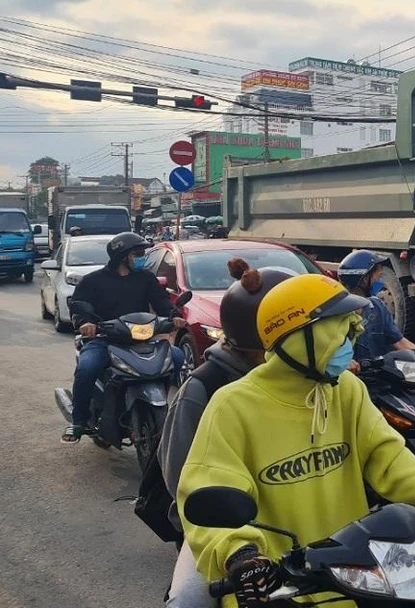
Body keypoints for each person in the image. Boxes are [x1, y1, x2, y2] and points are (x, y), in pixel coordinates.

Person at [177, 275, 415, 608]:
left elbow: (388, 456)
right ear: (297, 339)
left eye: (351, 332)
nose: (349, 345)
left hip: (357, 576)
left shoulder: (346, 390)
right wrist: (241, 554)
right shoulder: (233, 406)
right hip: (275, 587)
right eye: (339, 334)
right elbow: (209, 485)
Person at [159, 259, 295, 608]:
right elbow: (181, 479)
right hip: (222, 532)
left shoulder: (314, 385)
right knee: (189, 601)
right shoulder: (203, 391)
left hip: (297, 518)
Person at [62, 232, 187, 444]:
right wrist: (85, 323)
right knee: (87, 367)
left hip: (141, 339)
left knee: (176, 356)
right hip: (104, 339)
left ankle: (171, 407)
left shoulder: (145, 278)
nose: (142, 258)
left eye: (142, 253)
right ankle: (79, 421)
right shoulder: (93, 280)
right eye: (138, 254)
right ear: (122, 256)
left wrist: (174, 315)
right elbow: (79, 304)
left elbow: (161, 302)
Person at [335, 249, 415, 366]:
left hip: (377, 375)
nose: (380, 281)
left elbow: (398, 341)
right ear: (365, 279)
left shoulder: (377, 307)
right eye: (377, 276)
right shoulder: (336, 312)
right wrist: (345, 364)